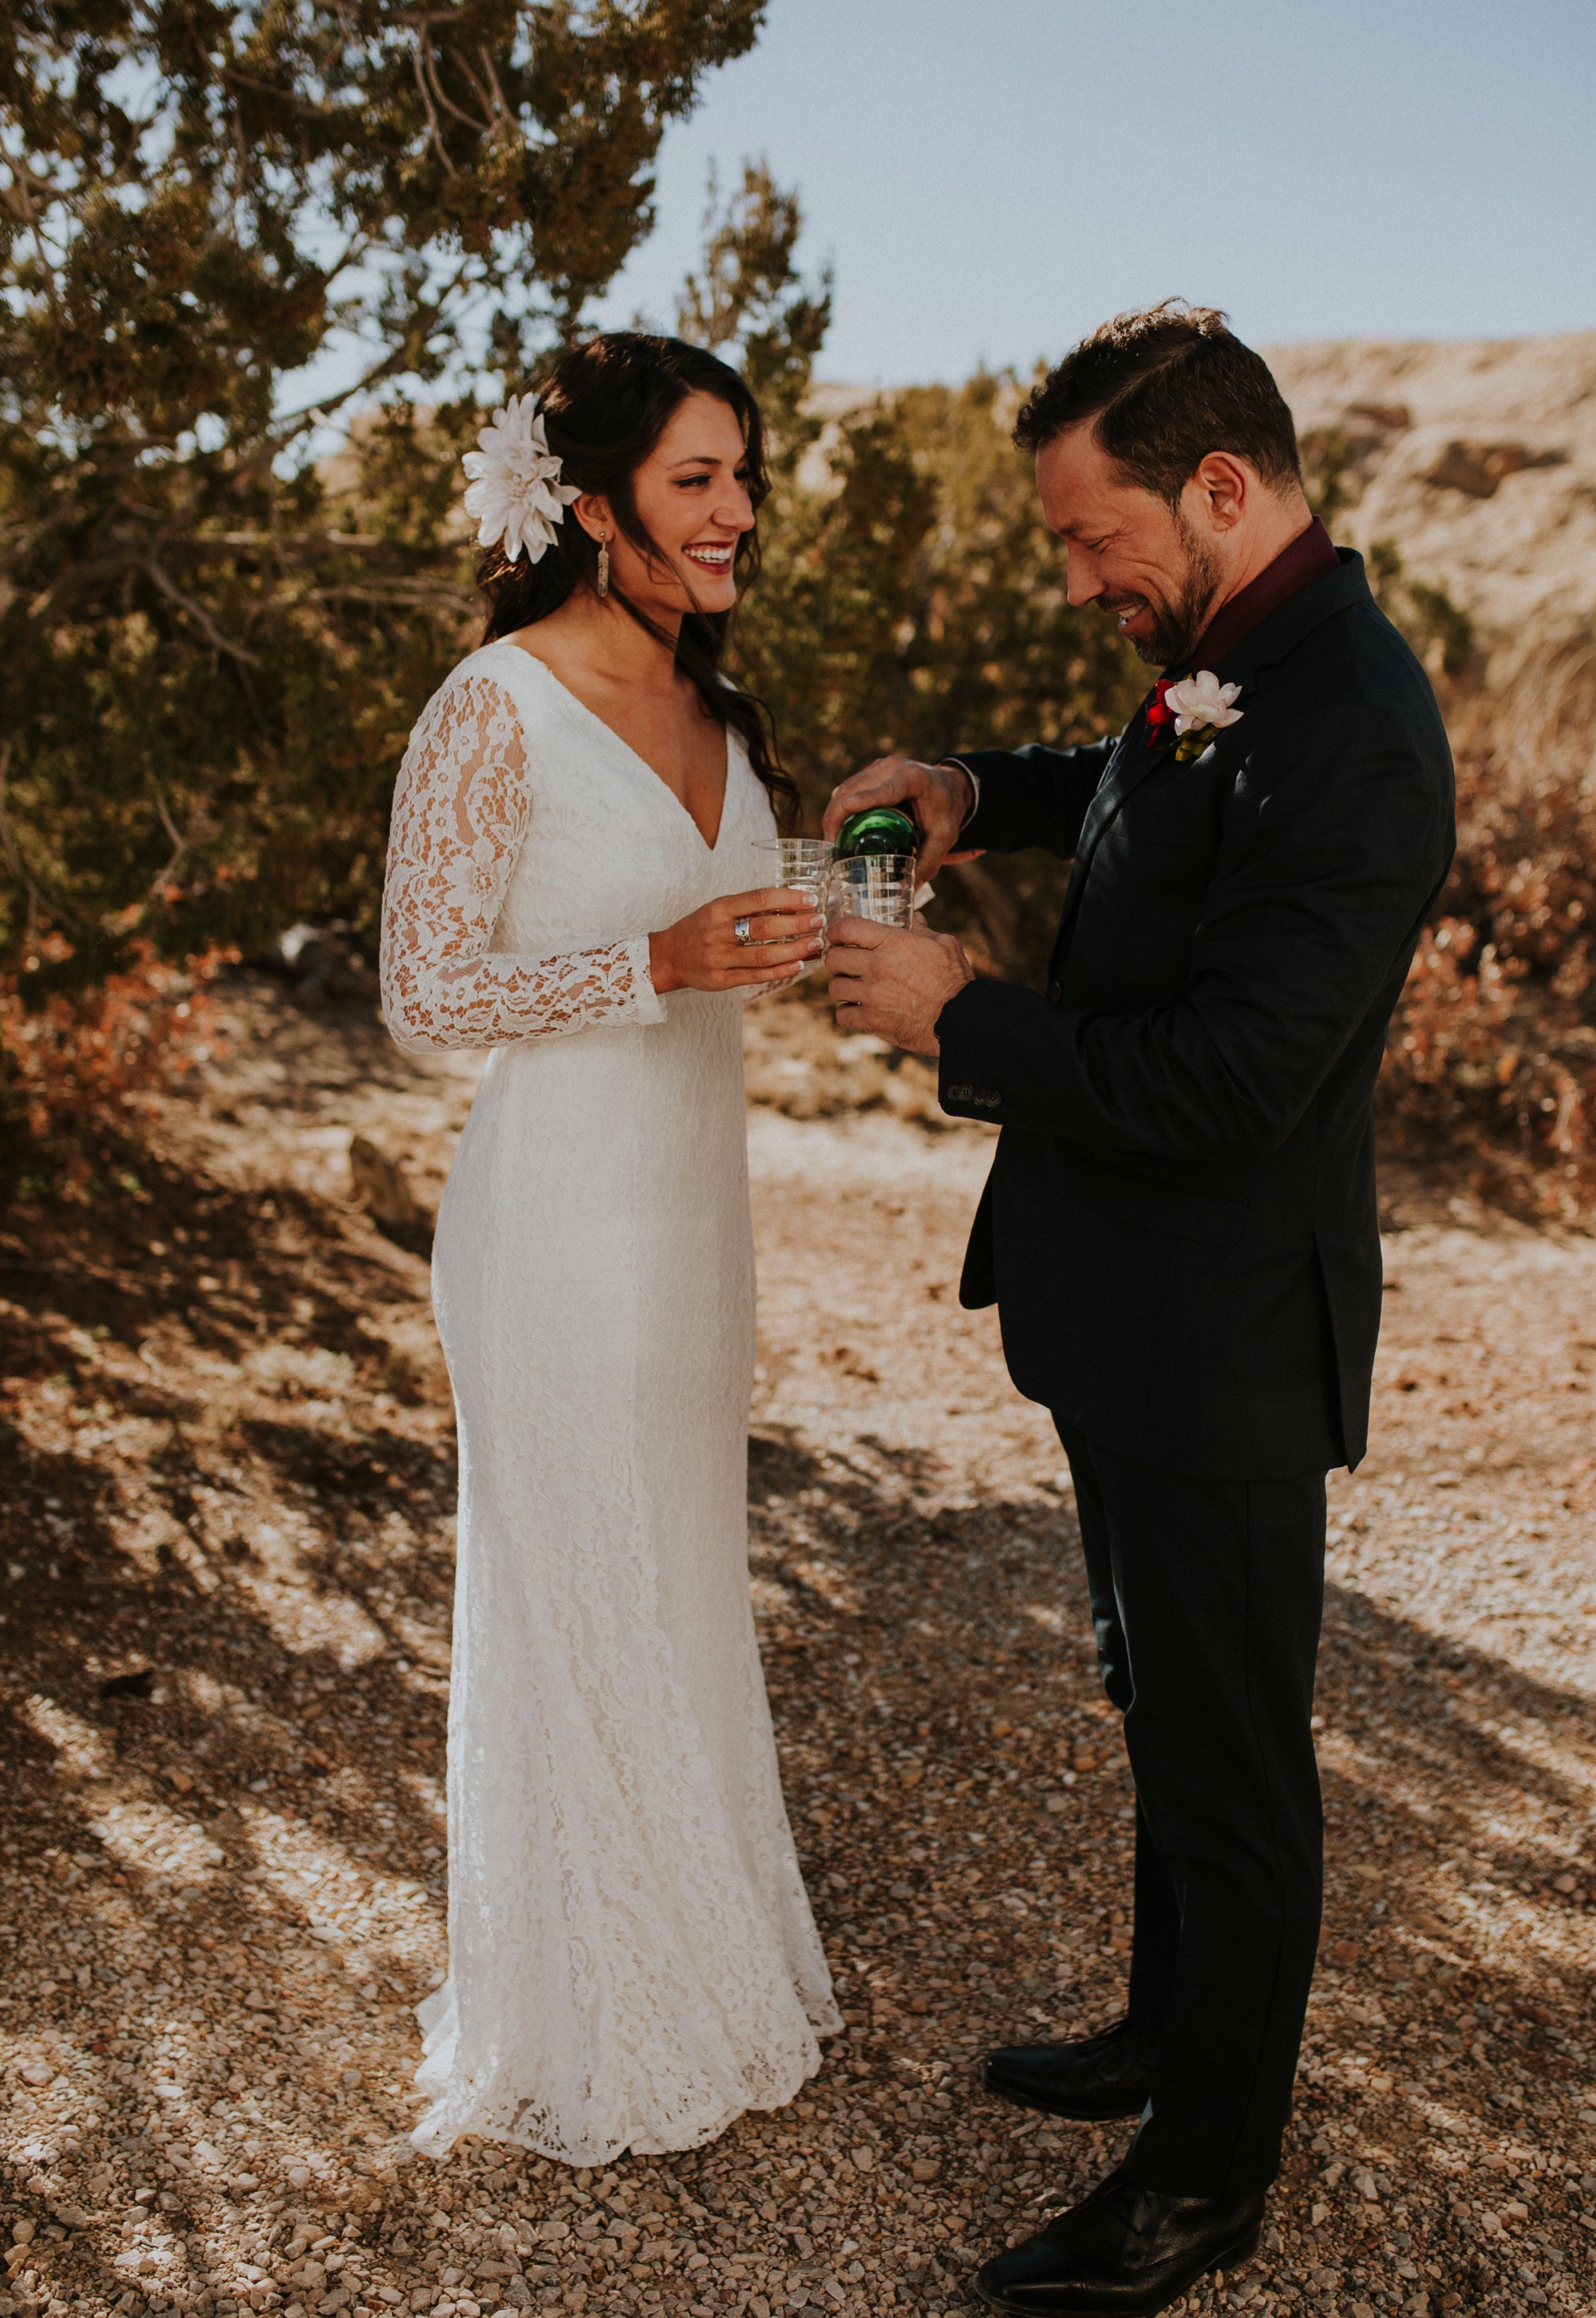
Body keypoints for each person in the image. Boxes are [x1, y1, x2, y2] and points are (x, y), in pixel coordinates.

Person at [821, 302, 1456, 2315]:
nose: (1077, 577)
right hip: (1128, 1320)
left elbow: (1224, 1080)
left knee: (1239, 1775)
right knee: (1157, 1705)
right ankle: (1162, 2036)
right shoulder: (1219, 662)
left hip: (1226, 1346)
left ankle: (1203, 2190)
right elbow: (1126, 794)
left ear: (1218, 485)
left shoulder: (1352, 721)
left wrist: (964, 1014)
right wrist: (960, 787)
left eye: (1093, 539)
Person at [379, 331, 839, 2166]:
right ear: (590, 507)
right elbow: (423, 994)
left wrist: (818, 927)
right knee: (575, 1593)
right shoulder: (492, 706)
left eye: (744, 474)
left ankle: (704, 1963)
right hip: (556, 1220)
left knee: (678, 1577)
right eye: (696, 480)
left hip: (692, 1212)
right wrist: (652, 967)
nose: (737, 513)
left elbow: (725, 935)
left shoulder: (722, 710)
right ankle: (586, 2015)